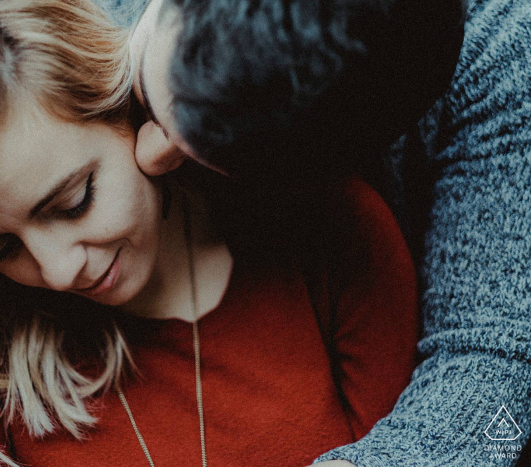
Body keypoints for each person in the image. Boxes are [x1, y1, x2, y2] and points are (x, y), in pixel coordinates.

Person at [0, 0, 420, 466]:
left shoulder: (325, 236)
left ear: (127, 112)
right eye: (0, 247)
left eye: (72, 202)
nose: (60, 272)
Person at [127, 0, 531, 465]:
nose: (147, 157)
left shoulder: (501, 58)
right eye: (147, 100)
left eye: (190, 149)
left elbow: (504, 373)